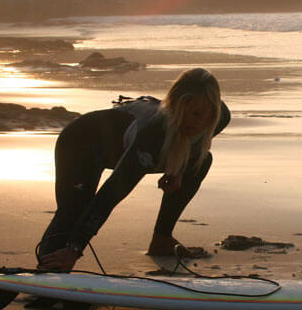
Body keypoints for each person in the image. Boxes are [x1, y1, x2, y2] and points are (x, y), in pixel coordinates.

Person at [37, 68, 229, 272]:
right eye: (182, 112)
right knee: (73, 211)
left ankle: (162, 239)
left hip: (130, 148)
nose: (190, 120)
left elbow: (193, 146)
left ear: (213, 111)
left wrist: (178, 170)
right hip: (83, 143)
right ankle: (45, 271)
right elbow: (111, 194)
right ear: (172, 107)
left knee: (202, 161)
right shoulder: (153, 135)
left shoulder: (220, 117)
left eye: (198, 114)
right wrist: (74, 250)